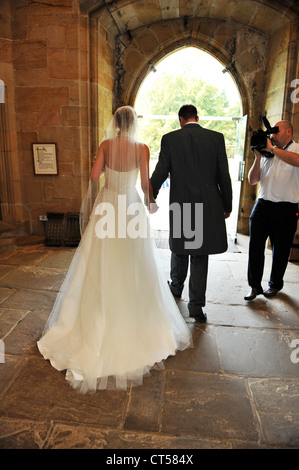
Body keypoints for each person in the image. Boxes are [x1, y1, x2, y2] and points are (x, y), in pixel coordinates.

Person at [37, 106, 192, 394]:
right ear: (133, 123)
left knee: (100, 262)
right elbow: (146, 184)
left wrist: (102, 165)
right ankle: (135, 321)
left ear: (115, 123)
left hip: (108, 205)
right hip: (131, 207)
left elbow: (95, 178)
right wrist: (151, 201)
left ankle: (98, 319)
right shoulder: (143, 148)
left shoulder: (106, 145)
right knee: (135, 262)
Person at [150, 104, 232, 323]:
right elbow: (224, 175)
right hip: (207, 204)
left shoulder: (170, 139)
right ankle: (196, 306)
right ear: (197, 117)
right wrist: (227, 204)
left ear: (180, 119)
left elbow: (160, 171)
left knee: (180, 247)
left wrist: (151, 195)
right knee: (200, 254)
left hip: (182, 202)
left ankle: (176, 288)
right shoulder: (216, 138)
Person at [245, 120, 299, 301]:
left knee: (281, 250)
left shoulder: (296, 149)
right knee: (255, 248)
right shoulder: (267, 152)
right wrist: (258, 157)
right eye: (272, 132)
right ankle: (254, 286)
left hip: (286, 208)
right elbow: (252, 180)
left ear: (289, 132)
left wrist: (273, 149)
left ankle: (275, 284)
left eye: (276, 131)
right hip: (262, 206)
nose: (273, 135)